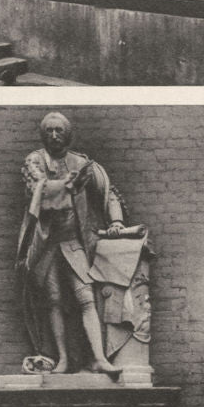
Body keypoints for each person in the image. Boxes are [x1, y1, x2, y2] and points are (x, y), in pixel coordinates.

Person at [17, 112, 126, 374]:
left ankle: (99, 358)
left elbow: (108, 190)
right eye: (49, 130)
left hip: (73, 240)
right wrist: (67, 183)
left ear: (68, 134)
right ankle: (63, 359)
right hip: (45, 243)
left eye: (59, 130)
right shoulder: (34, 160)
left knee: (86, 297)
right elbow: (37, 189)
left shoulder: (82, 162)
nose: (54, 135)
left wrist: (117, 221)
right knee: (53, 300)